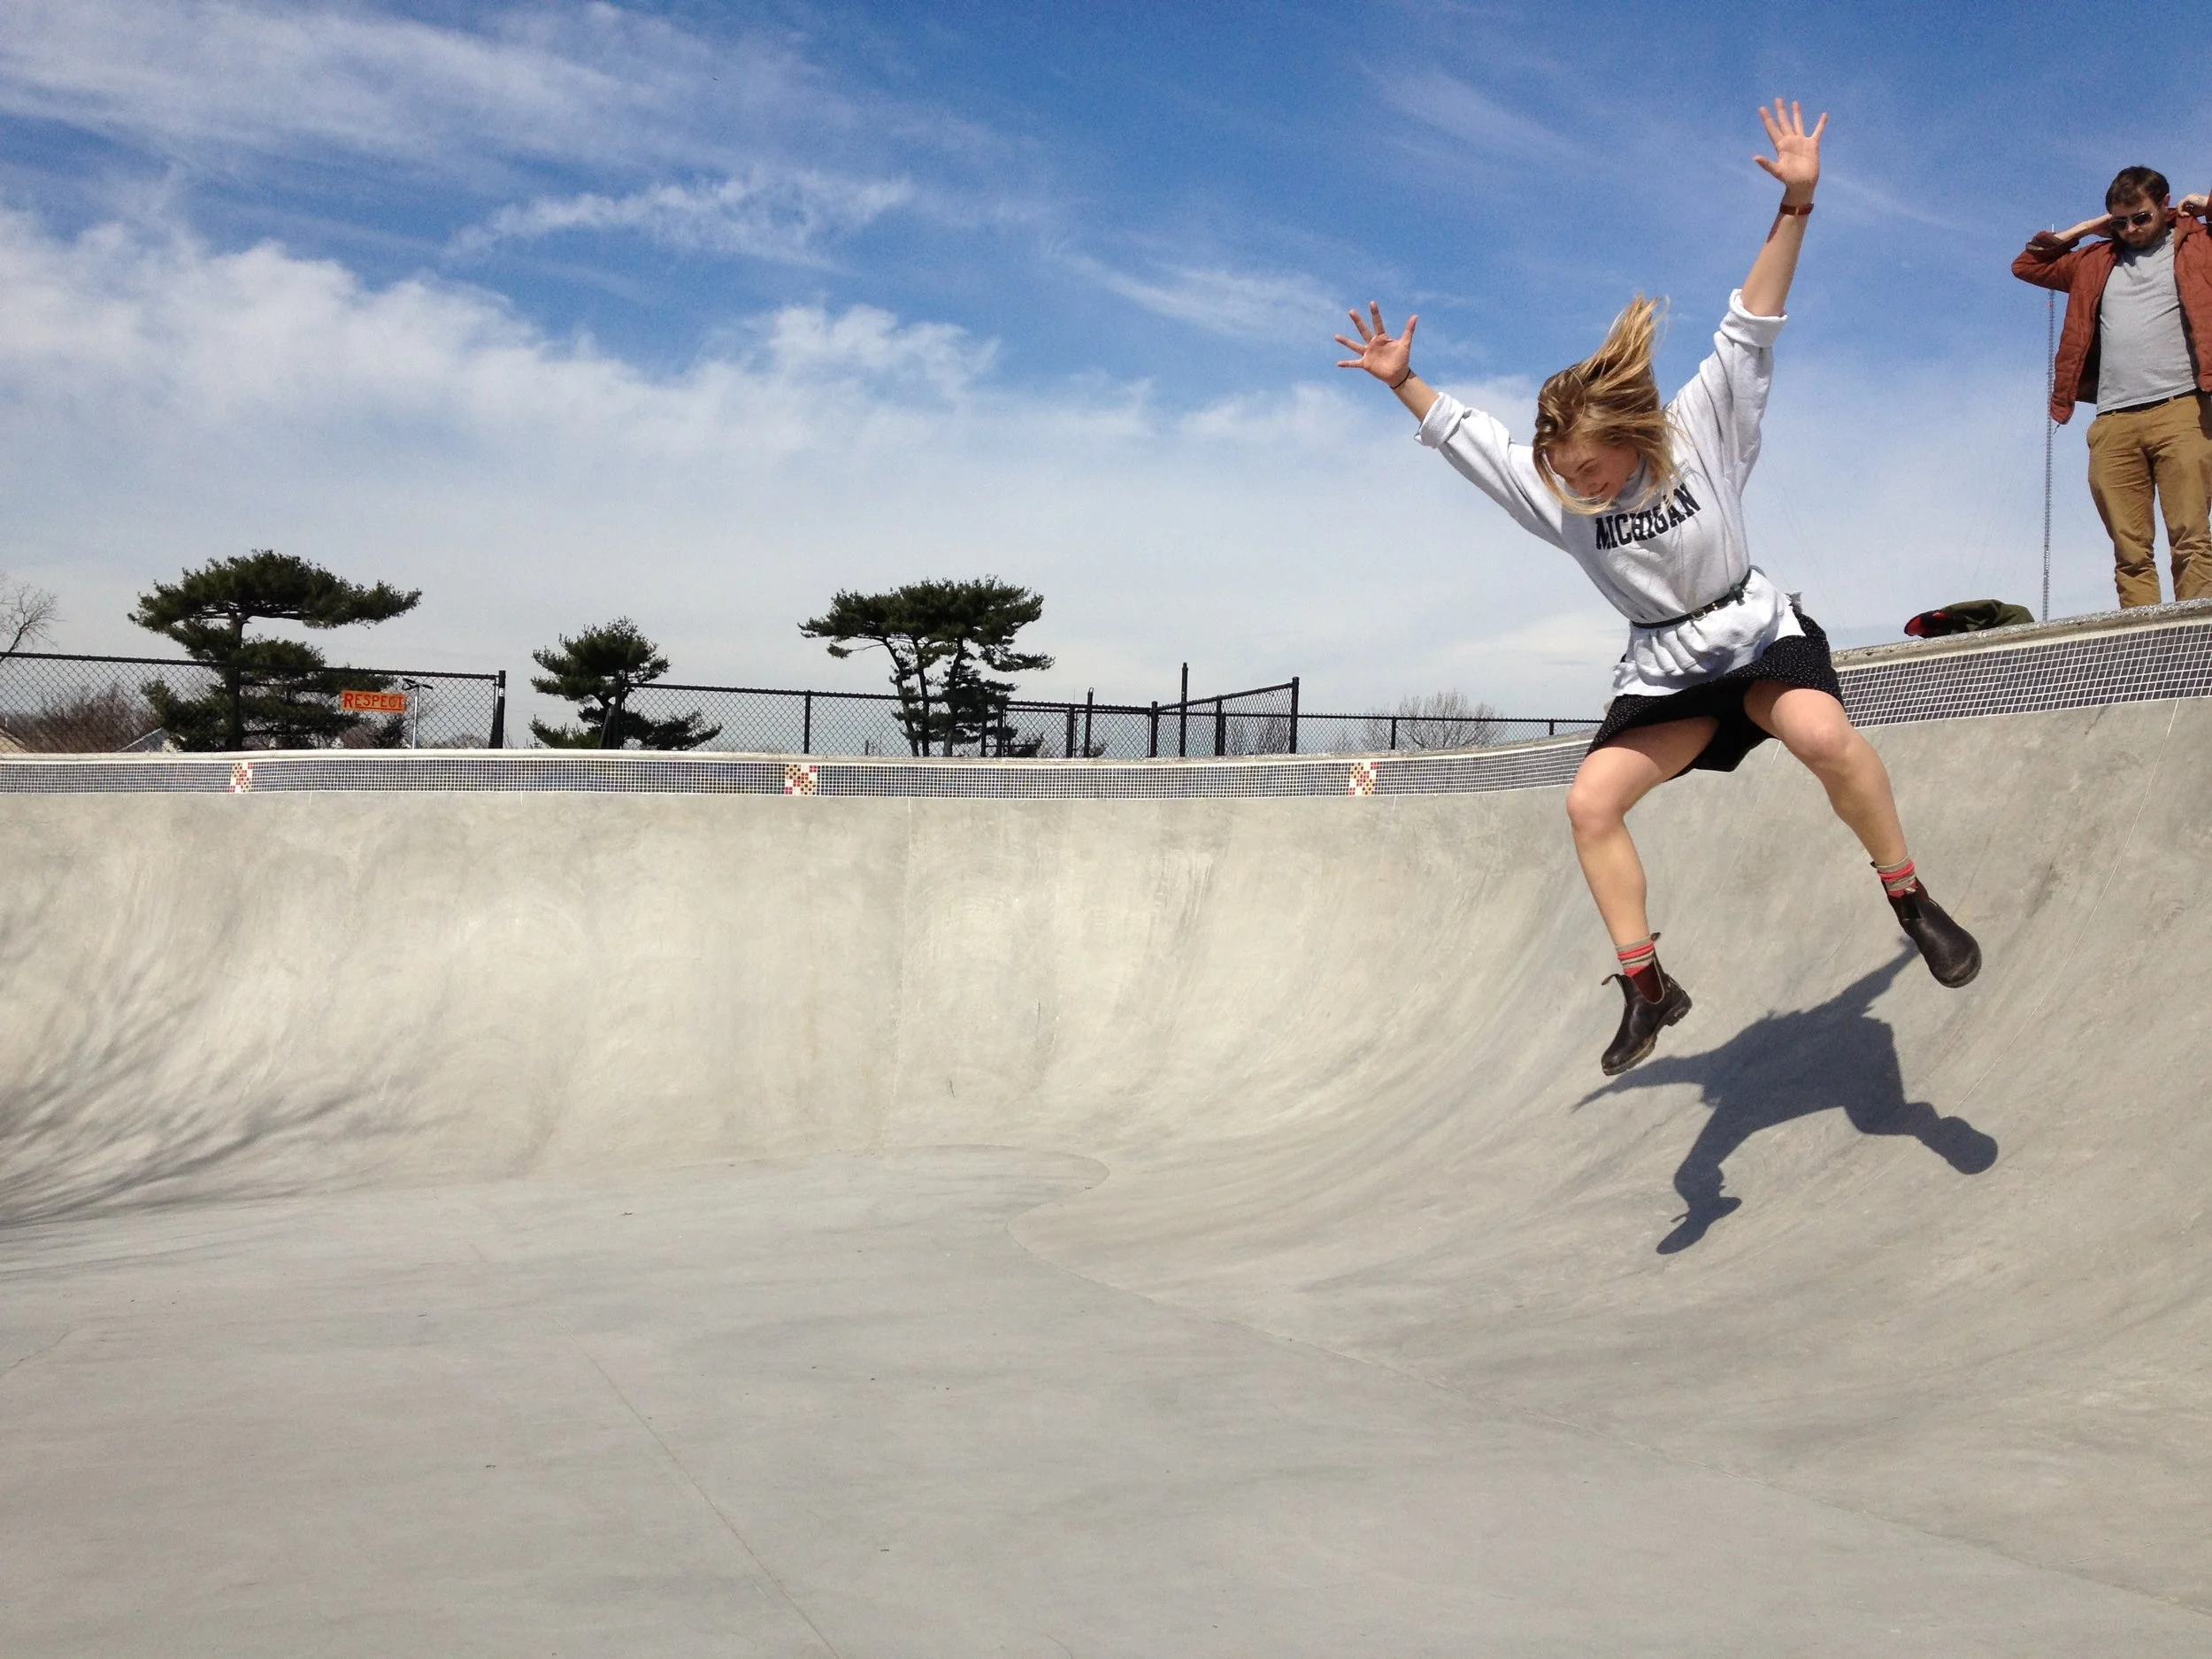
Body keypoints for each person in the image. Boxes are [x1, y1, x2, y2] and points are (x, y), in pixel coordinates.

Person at [1334, 100, 1980, 1077]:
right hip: (1667, 670)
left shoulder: (1702, 430)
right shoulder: (1557, 494)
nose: (1580, 487)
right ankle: (1648, 987)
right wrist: (1403, 383)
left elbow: (1750, 326)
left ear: (1631, 438)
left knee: (1819, 736)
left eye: (1592, 469)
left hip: (1755, 636)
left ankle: (1909, 897)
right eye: (1565, 473)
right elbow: (1474, 442)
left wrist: (1797, 203)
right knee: (1589, 803)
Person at [2012, 169, 2212, 609]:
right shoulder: (2095, 260)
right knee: (2130, 552)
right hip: (2115, 420)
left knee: (2191, 540)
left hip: (2183, 409)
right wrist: (2087, 229)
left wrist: (2206, 204)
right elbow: (2028, 266)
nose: (2131, 229)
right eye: (2120, 222)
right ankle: (2144, 645)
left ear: (2165, 204)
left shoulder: (2199, 243)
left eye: (2140, 218)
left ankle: (2199, 641)